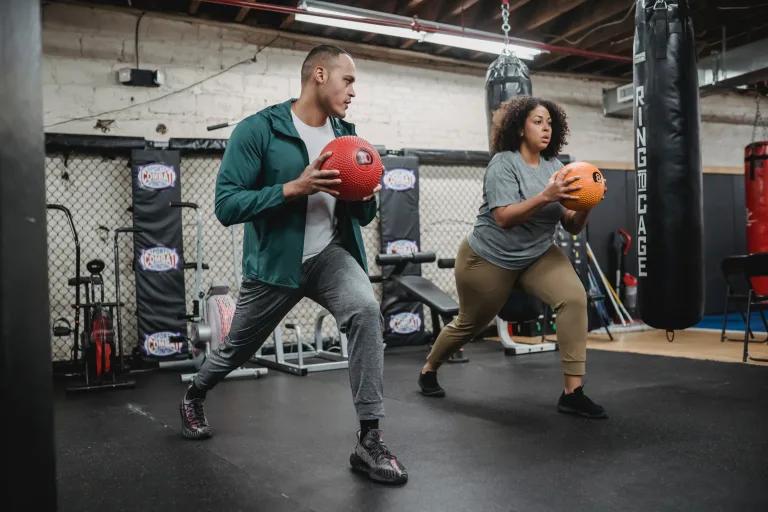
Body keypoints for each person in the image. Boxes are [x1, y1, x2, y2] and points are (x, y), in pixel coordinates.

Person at [179, 44, 408, 485]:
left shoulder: (348, 137)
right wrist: (293, 188)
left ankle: (369, 439)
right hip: (276, 263)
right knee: (237, 349)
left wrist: (364, 194)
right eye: (349, 79)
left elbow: (360, 215)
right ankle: (195, 392)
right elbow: (227, 205)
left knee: (365, 311)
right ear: (319, 75)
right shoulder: (258, 130)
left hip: (330, 256)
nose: (353, 91)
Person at [417, 96, 608, 419]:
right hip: (488, 257)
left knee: (574, 297)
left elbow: (572, 226)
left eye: (549, 123)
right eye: (537, 121)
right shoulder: (502, 164)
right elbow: (504, 218)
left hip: (537, 254)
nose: (545, 128)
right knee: (470, 324)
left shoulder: (556, 169)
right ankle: (430, 368)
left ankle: (572, 393)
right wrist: (545, 196)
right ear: (519, 128)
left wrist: (588, 203)